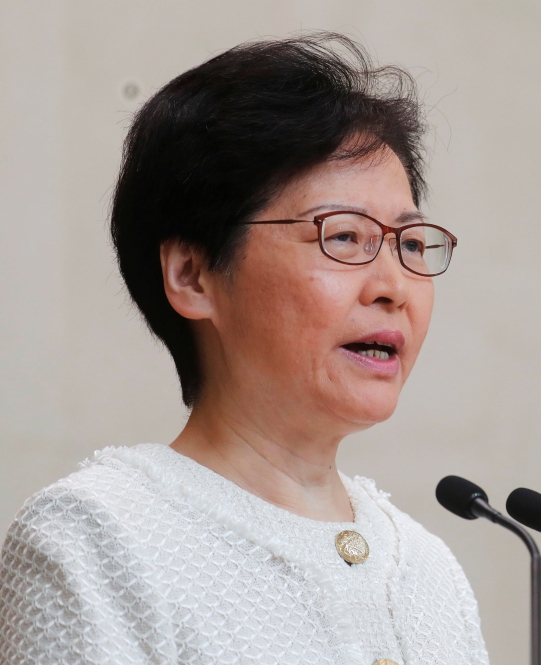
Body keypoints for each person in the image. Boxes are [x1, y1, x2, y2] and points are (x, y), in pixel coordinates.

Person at [0, 33, 488, 665]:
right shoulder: (98, 538)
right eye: (344, 236)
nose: (395, 286)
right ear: (193, 276)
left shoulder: (429, 568)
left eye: (411, 244)